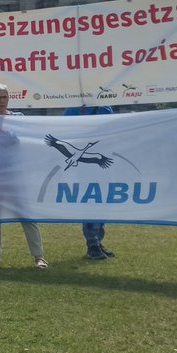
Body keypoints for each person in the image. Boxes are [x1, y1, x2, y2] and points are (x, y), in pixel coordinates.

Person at [0, 82, 48, 269]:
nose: (2, 101)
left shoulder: (19, 119)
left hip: (16, 176)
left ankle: (39, 256)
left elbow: (18, 140)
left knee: (27, 217)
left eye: (5, 97)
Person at [63, 104, 116, 260]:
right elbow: (67, 130)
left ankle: (98, 241)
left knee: (103, 202)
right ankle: (92, 244)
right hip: (86, 166)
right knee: (92, 201)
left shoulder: (106, 107)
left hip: (104, 161)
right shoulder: (73, 108)